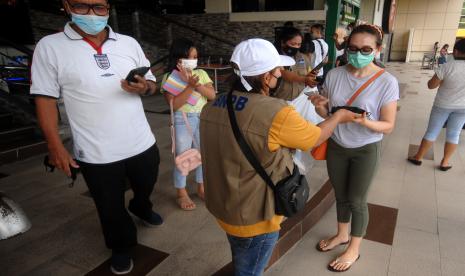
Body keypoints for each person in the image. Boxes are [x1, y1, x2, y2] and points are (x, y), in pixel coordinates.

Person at [200, 38, 358, 276]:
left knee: (241, 255)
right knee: (250, 270)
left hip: (223, 204)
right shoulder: (276, 112)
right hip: (255, 214)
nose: (280, 76)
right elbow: (313, 138)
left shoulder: (213, 105)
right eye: (278, 72)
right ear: (266, 77)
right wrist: (338, 117)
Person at [31, 0, 162, 274]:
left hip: (141, 141)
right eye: (82, 5)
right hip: (96, 151)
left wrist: (144, 88)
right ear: (66, 5)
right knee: (109, 205)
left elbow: (151, 83)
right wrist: (54, 145)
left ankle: (141, 206)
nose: (92, 14)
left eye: (99, 7)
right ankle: (121, 245)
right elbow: (44, 98)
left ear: (108, 8)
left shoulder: (128, 43)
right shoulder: (50, 46)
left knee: (146, 183)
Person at [310, 24, 399, 272]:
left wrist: (364, 121)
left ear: (377, 50)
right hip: (338, 144)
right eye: (353, 48)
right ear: (347, 48)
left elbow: (389, 125)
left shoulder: (387, 82)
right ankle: (341, 235)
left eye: (366, 49)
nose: (358, 53)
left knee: (357, 200)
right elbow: (328, 113)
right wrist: (319, 106)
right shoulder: (335, 75)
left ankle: (354, 248)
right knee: (340, 194)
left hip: (365, 148)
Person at [160, 38, 215, 210]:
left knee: (203, 154)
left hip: (203, 117)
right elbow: (173, 104)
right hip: (182, 119)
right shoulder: (169, 77)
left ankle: (202, 186)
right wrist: (189, 86)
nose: (194, 60)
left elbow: (212, 95)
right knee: (182, 156)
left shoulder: (202, 74)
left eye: (195, 57)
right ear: (179, 58)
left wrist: (196, 84)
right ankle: (181, 191)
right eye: (190, 57)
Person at [408, 38, 465, 171]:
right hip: (463, 108)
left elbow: (431, 85)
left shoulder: (447, 66)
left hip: (443, 105)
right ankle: (445, 162)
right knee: (454, 134)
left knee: (432, 131)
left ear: (456, 51)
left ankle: (418, 158)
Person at [273, 27, 318, 101]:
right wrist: (304, 79)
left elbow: (308, 72)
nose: (296, 47)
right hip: (280, 100)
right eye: (293, 44)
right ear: (283, 42)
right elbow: (284, 73)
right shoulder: (275, 58)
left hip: (299, 100)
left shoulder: (303, 57)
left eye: (299, 44)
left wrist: (310, 75)